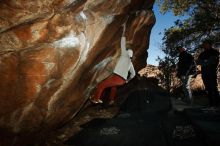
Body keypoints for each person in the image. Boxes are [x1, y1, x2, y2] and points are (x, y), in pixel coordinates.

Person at [90, 24, 136, 105]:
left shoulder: (124, 56)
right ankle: (111, 100)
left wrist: (123, 34)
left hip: (117, 77)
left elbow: (122, 44)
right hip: (122, 81)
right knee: (113, 87)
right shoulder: (131, 63)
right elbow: (133, 74)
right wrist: (127, 81)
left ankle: (96, 99)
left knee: (101, 85)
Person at [198, 39, 219, 107]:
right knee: (207, 89)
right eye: (204, 44)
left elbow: (212, 61)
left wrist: (205, 61)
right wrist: (206, 61)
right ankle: (210, 103)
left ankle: (217, 103)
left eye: (206, 44)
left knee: (213, 88)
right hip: (204, 73)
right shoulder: (202, 53)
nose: (205, 45)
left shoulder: (215, 52)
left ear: (210, 44)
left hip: (211, 72)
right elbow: (199, 62)